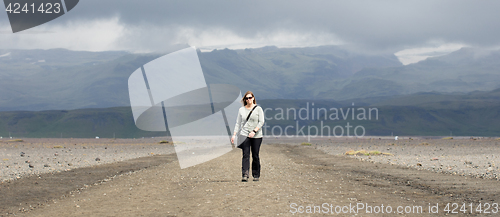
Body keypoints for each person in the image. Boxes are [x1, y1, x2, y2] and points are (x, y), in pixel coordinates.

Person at [231, 91, 265, 182]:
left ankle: (256, 174)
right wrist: (234, 135)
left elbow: (261, 121)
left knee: (255, 155)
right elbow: (238, 123)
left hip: (257, 135)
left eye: (250, 98)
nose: (248, 100)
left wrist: (254, 131)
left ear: (253, 98)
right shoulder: (241, 110)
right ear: (245, 100)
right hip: (244, 134)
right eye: (246, 98)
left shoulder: (258, 109)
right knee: (245, 154)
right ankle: (245, 174)